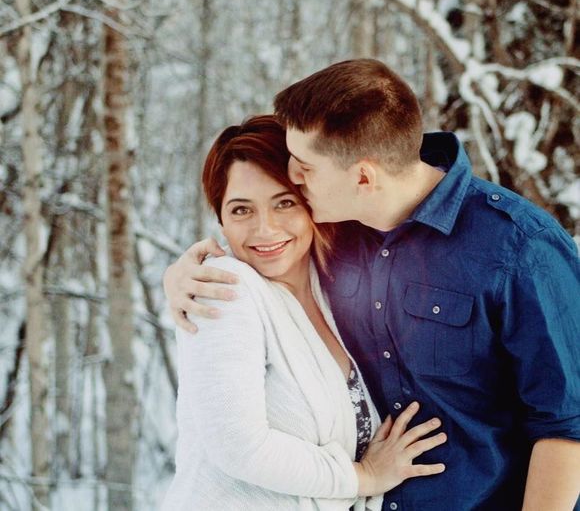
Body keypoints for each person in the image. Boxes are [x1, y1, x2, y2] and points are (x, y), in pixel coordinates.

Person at [164, 59, 580, 511]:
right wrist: (184, 274)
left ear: (363, 176)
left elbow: (566, 425)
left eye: (304, 167)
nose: (293, 177)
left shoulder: (520, 248)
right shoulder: (337, 231)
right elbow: (266, 244)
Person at [161, 115, 447, 511]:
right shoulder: (224, 289)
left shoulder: (334, 286)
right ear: (221, 219)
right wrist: (363, 477)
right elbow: (237, 444)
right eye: (241, 210)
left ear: (312, 202)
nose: (265, 229)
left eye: (284, 202)